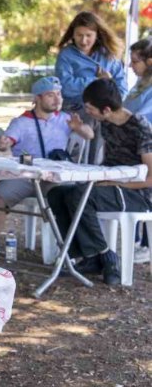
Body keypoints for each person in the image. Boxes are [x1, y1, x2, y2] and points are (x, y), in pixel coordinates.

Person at [47, 79, 152, 286]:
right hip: (110, 182)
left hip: (137, 192)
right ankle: (95, 254)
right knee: (57, 193)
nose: (88, 112)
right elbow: (106, 159)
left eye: (90, 108)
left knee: (79, 196)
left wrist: (118, 184)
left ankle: (106, 258)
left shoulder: (139, 127)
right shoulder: (106, 123)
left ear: (105, 109)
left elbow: (150, 178)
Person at [0, 76, 94, 257]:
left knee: (71, 196)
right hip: (25, 175)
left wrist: (79, 128)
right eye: (50, 95)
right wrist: (4, 143)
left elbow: (89, 135)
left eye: (59, 94)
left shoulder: (65, 119)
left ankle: (71, 250)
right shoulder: (21, 122)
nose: (57, 99)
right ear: (37, 99)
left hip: (54, 177)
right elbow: (4, 144)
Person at [55, 11, 126, 162]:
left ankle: (95, 182)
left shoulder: (110, 56)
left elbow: (121, 91)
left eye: (89, 35)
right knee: (74, 152)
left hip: (104, 113)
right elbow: (66, 87)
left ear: (97, 35)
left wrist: (109, 83)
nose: (84, 40)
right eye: (79, 35)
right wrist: (97, 81)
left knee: (101, 152)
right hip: (75, 109)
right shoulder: (66, 55)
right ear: (72, 34)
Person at [124, 37, 152, 122]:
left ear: (150, 62)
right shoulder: (142, 82)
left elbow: (140, 121)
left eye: (134, 61)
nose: (129, 65)